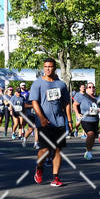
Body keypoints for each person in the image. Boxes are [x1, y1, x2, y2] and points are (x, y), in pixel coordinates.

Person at [30, 58, 72, 187]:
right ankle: (39, 167)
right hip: (44, 123)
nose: (48, 68)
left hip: (59, 121)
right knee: (46, 150)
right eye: (46, 66)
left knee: (58, 150)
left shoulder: (61, 84)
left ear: (55, 68)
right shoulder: (37, 83)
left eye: (50, 66)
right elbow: (34, 102)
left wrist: (69, 120)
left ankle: (56, 177)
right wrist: (41, 117)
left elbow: (66, 103)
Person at [73, 82, 100, 159]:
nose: (91, 88)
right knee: (90, 134)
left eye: (93, 87)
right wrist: (77, 114)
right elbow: (74, 105)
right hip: (85, 119)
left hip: (95, 119)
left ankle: (89, 150)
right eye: (89, 87)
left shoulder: (97, 98)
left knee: (93, 137)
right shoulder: (82, 97)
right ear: (86, 89)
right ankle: (88, 152)